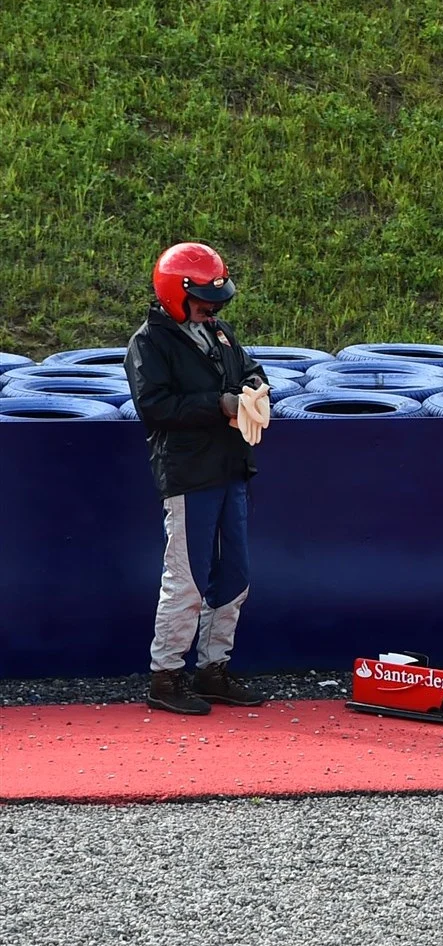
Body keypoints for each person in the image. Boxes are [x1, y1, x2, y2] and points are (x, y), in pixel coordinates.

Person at [125, 242, 270, 715]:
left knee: (235, 575)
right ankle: (165, 675)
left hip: (231, 466)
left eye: (216, 301)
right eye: (205, 301)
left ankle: (213, 669)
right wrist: (219, 404)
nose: (213, 309)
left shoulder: (219, 332)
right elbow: (155, 407)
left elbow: (250, 369)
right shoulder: (149, 343)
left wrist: (253, 389)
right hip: (189, 473)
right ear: (175, 294)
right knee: (186, 579)